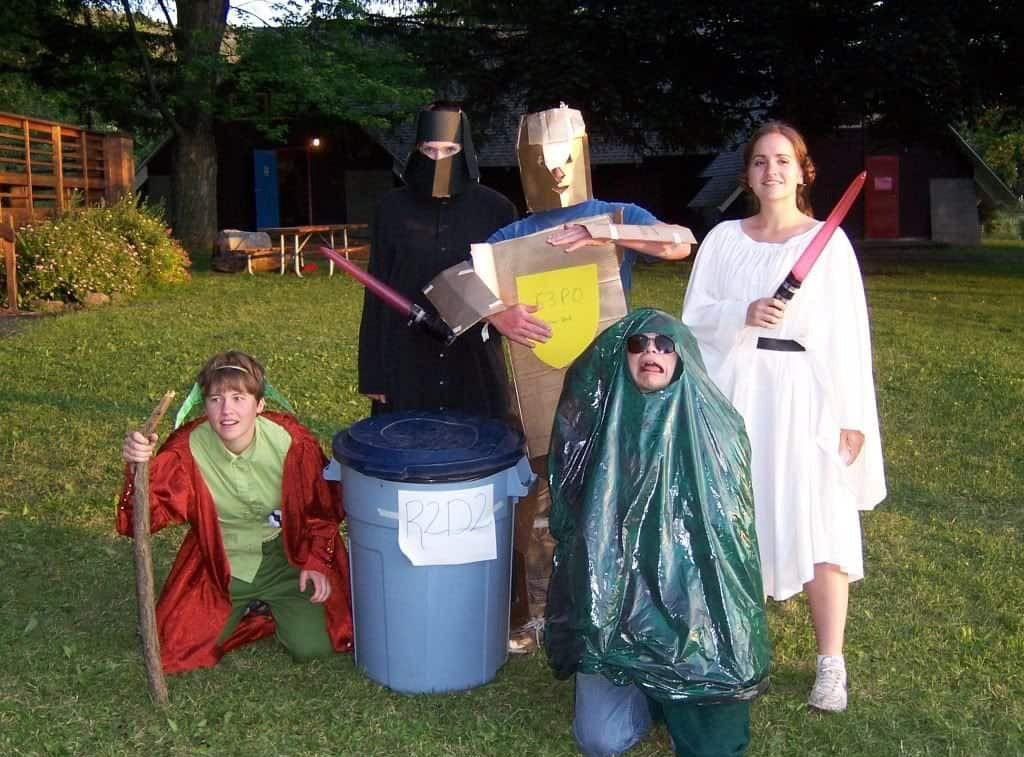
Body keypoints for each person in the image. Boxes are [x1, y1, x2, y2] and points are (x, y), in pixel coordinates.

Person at [681, 121, 886, 712]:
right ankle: (727, 648)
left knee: (819, 518)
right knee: (729, 517)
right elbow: (693, 318)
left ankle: (830, 664)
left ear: (802, 172)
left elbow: (849, 336)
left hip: (805, 395)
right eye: (760, 162)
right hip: (736, 388)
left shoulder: (829, 244)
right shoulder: (723, 239)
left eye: (782, 161)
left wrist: (851, 415)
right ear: (747, 176)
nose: (771, 171)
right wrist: (741, 312)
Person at [483, 104, 695, 652]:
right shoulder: (511, 234)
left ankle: (615, 607)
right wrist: (497, 313)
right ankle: (535, 612)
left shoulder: (615, 213)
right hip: (541, 389)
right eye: (544, 159)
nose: (556, 170)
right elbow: (463, 287)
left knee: (615, 493)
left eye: (565, 156)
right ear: (527, 161)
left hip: (609, 383)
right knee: (538, 501)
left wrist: (608, 233)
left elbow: (679, 240)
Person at [546, 309, 770, 757]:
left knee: (712, 745)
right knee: (600, 741)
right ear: (624, 356)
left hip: (693, 612)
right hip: (614, 618)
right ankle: (648, 691)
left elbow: (731, 547)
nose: (651, 352)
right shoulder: (597, 430)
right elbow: (576, 530)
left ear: (681, 356)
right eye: (639, 344)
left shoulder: (718, 431)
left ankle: (668, 690)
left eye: (664, 345)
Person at [117, 351, 353, 674]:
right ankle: (249, 608)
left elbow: (321, 507)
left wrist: (316, 561)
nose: (226, 410)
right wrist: (137, 468)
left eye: (238, 398)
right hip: (222, 564)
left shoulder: (293, 442)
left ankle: (271, 608)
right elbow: (141, 519)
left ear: (260, 404)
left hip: (287, 557)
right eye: (215, 399)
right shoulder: (186, 450)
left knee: (316, 646)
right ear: (205, 406)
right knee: (173, 650)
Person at [357, 102, 517, 418]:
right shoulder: (391, 209)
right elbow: (376, 290)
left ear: (464, 149)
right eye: (430, 150)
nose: (439, 159)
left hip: (473, 354)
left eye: (449, 150)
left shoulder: (496, 209)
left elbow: (511, 286)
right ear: (418, 150)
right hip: (406, 352)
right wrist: (373, 372)